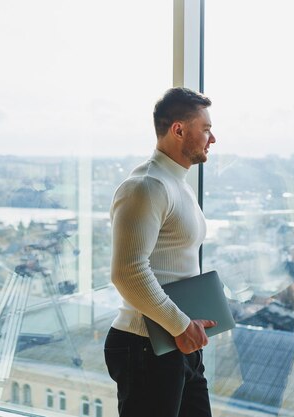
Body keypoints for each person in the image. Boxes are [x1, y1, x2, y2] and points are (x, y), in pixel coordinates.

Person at [104, 87, 217, 417]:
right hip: (147, 344)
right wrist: (182, 326)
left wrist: (186, 328)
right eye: (206, 129)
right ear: (179, 129)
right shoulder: (146, 186)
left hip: (178, 340)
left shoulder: (177, 184)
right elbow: (127, 272)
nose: (213, 139)